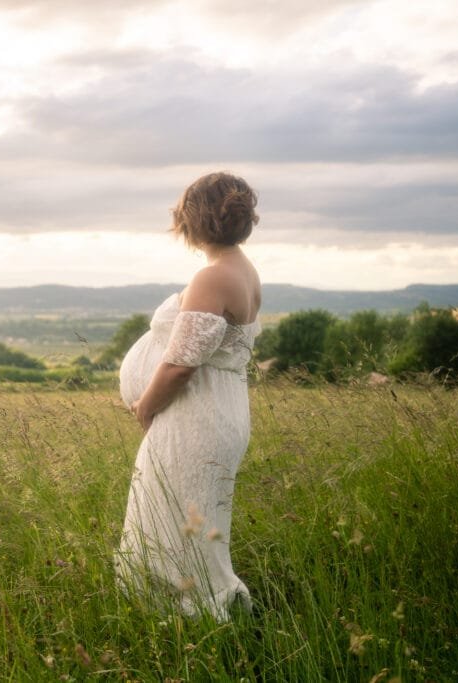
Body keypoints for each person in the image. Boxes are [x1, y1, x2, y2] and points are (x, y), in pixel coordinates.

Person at [116, 171, 262, 621]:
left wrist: (145, 406)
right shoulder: (242, 269)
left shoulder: (213, 277)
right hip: (219, 410)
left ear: (192, 221)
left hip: (196, 416)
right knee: (191, 522)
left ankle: (197, 617)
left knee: (179, 524)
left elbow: (181, 364)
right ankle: (203, 611)